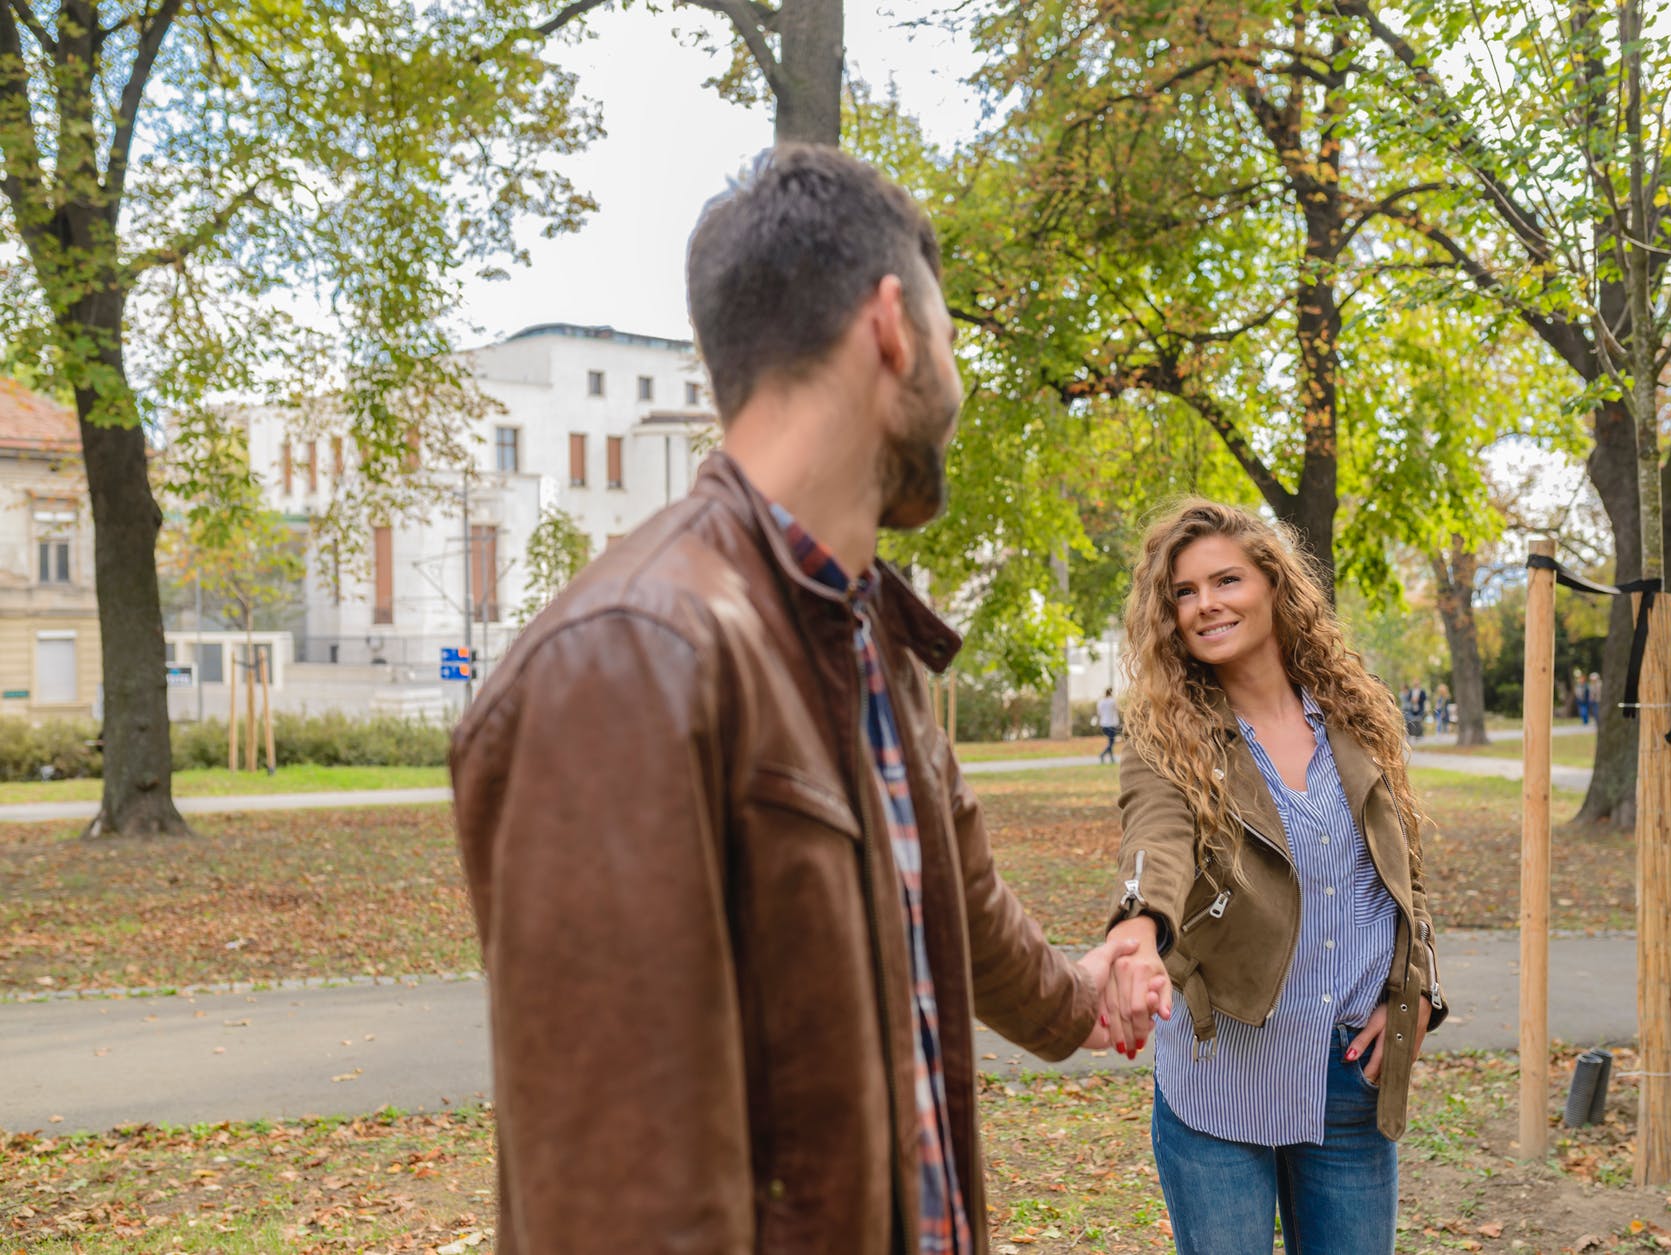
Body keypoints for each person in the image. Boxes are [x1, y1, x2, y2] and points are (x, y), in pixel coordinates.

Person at [450, 146, 1151, 1253]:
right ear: (892, 326)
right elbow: (619, 1211)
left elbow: (961, 919)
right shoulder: (630, 657)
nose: (954, 388)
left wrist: (1087, 990)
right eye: (949, 340)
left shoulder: (865, 630)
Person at [1102, 499, 1446, 1255]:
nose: (1205, 604)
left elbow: (1401, 875)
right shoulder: (1167, 737)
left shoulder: (1355, 714)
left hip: (1351, 1080)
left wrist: (1418, 986)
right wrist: (1137, 924)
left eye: (1225, 579)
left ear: (1273, 583)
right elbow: (1154, 840)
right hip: (1221, 1081)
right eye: (1184, 593)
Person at [1098, 687, 1122, 764]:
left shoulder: (1101, 702)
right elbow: (1117, 710)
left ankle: (1111, 758)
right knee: (1112, 742)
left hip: (1104, 724)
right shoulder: (1112, 701)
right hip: (1111, 724)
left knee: (1110, 741)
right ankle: (1102, 754)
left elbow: (1099, 713)